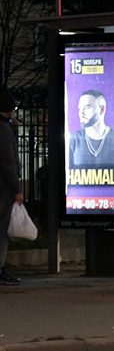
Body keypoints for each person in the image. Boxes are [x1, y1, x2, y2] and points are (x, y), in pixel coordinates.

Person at [69, 90, 114, 168]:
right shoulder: (74, 140)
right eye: (80, 108)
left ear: (102, 109)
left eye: (86, 108)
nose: (81, 113)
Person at [0, 89, 23, 286]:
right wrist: (17, 190)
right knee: (2, 229)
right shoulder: (3, 130)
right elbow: (8, 162)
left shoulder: (5, 126)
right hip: (3, 188)